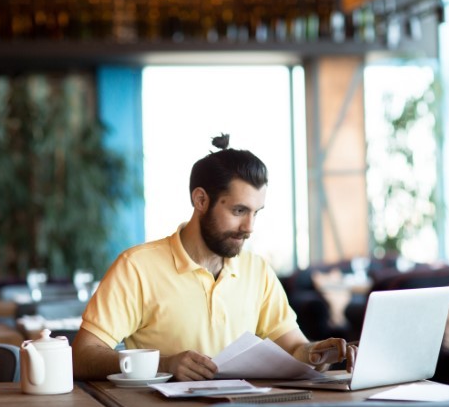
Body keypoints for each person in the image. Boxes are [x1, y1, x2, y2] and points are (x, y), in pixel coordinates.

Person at [72, 136, 356, 381]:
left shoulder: (257, 271)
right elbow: (82, 356)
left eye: (256, 213)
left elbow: (295, 348)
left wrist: (318, 352)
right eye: (238, 211)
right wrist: (162, 364)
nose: (249, 228)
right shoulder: (137, 267)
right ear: (200, 200)